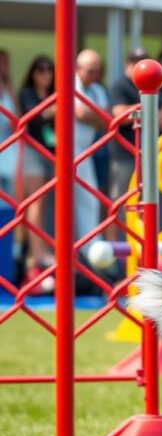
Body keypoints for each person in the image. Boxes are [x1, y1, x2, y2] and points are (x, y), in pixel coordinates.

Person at [18, 56, 56, 294]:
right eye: (40, 70)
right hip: (32, 150)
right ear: (33, 73)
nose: (45, 74)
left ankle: (42, 252)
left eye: (49, 70)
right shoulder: (27, 94)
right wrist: (52, 109)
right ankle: (37, 255)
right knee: (35, 203)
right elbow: (32, 120)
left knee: (46, 206)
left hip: (51, 154)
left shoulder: (52, 94)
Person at [108, 48, 148, 231]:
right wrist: (146, 108)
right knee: (119, 199)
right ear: (127, 64)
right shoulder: (120, 85)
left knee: (144, 202)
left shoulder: (149, 85)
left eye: (142, 62)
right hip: (123, 153)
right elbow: (119, 113)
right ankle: (115, 248)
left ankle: (139, 243)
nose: (138, 66)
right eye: (134, 62)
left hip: (145, 154)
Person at [72, 49, 109, 248]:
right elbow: (80, 113)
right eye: (90, 71)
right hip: (64, 152)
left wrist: (93, 116)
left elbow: (106, 122)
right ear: (78, 69)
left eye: (98, 71)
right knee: (63, 206)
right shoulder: (70, 83)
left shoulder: (97, 90)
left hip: (85, 152)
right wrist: (98, 117)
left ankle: (88, 252)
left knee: (90, 201)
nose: (94, 76)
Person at [0, 49, 16, 202]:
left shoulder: (9, 91)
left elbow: (17, 123)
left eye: (5, 63)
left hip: (8, 149)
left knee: (9, 198)